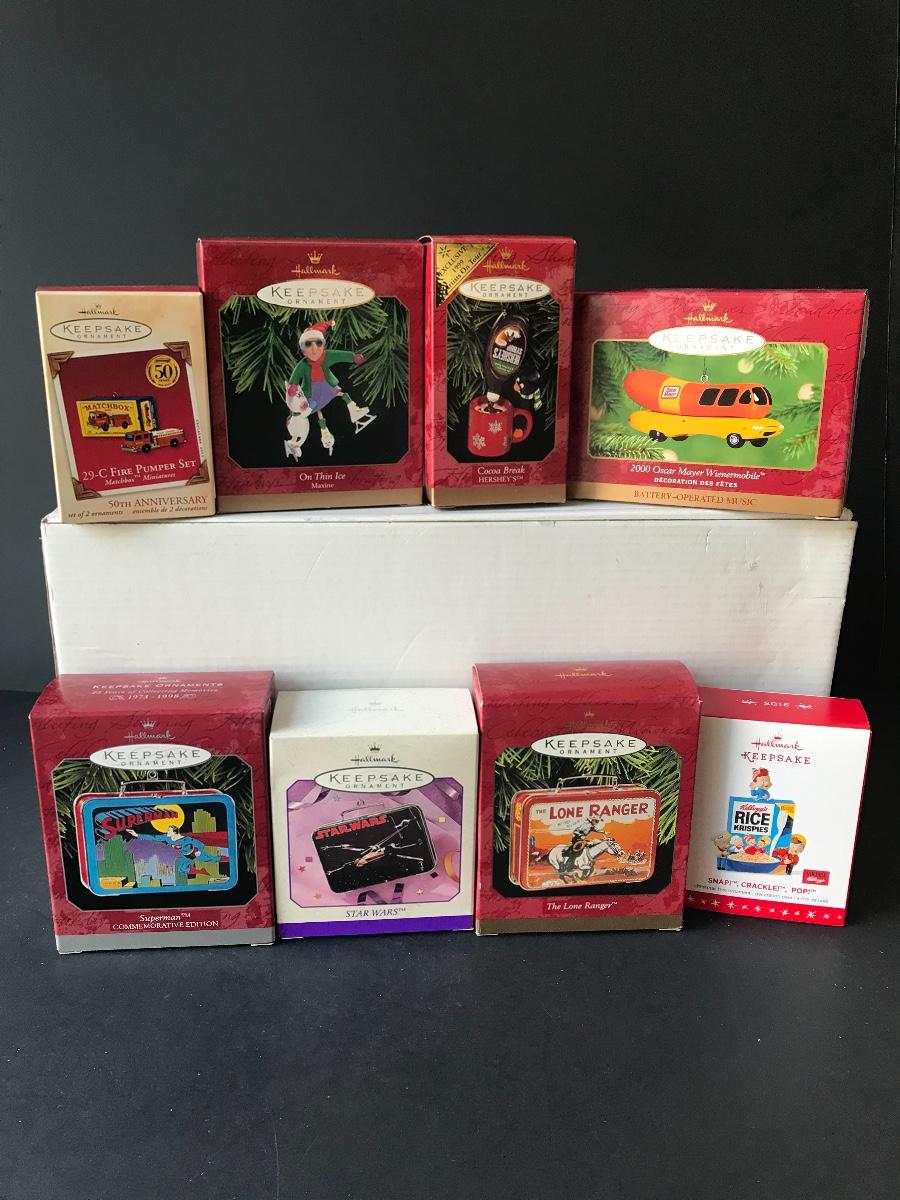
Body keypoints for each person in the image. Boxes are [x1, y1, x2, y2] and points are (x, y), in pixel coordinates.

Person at [285, 320, 370, 455]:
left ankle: (354, 411)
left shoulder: (326, 356)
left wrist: (353, 357)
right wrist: (293, 386)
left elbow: (339, 355)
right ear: (303, 350)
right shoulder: (303, 365)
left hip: (326, 385)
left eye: (318, 343)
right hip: (311, 392)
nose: (314, 349)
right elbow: (295, 376)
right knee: (315, 408)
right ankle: (321, 433)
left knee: (339, 395)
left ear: (323, 345)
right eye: (308, 344)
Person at [125, 824, 224, 883]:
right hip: (186, 856)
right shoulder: (166, 838)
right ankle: (201, 871)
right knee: (182, 868)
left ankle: (226, 858)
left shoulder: (186, 839)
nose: (167, 832)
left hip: (194, 852)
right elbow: (154, 838)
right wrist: (136, 834)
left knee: (214, 859)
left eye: (169, 830)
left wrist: (199, 851)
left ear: (175, 832)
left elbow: (200, 844)